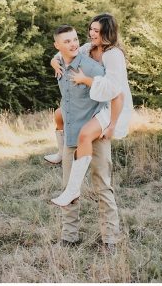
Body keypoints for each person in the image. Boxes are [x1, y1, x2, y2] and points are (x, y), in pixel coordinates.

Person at [46, 25, 122, 249]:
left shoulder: (91, 67)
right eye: (67, 41)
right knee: (69, 189)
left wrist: (112, 125)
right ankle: (69, 238)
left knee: (103, 187)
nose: (73, 44)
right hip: (72, 135)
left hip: (94, 135)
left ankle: (111, 240)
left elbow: (116, 94)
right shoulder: (59, 63)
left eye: (75, 39)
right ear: (57, 46)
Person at [44, 13, 135, 166]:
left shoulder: (113, 55)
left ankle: (82, 180)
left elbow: (113, 90)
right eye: (91, 29)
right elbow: (66, 50)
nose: (91, 33)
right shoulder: (88, 48)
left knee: (88, 138)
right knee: (59, 114)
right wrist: (54, 60)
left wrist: (85, 80)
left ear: (107, 33)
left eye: (97, 31)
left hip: (111, 103)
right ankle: (61, 152)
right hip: (93, 96)